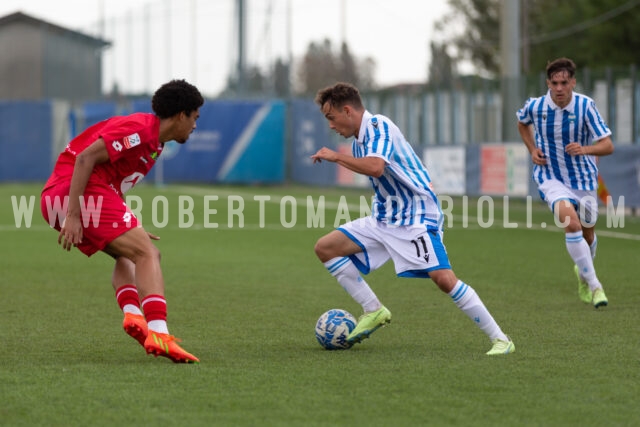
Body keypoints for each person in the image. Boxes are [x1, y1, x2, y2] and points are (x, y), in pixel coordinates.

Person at [311, 82, 515, 355]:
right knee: (326, 248)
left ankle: (501, 339)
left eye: (331, 118)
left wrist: (336, 156)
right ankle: (373, 310)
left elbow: (376, 167)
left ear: (347, 110)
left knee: (443, 279)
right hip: (384, 217)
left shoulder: (378, 126)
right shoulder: (359, 140)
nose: (331, 126)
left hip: (416, 216)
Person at [40, 79, 204, 363]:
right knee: (147, 253)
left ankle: (133, 315)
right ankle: (160, 334)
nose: (195, 126)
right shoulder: (140, 129)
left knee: (133, 254)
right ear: (181, 115)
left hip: (75, 194)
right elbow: (84, 159)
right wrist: (73, 214)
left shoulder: (155, 143)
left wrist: (130, 222)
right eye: (194, 118)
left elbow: (110, 179)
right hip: (72, 192)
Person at [517, 57, 614, 309]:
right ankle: (595, 286)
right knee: (571, 224)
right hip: (550, 177)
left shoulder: (586, 106)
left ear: (573, 82)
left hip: (583, 179)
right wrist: (532, 149)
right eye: (554, 83)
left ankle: (582, 275)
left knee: (589, 235)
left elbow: (607, 145)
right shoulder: (536, 106)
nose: (559, 88)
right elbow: (522, 122)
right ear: (548, 83)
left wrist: (584, 149)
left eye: (564, 82)